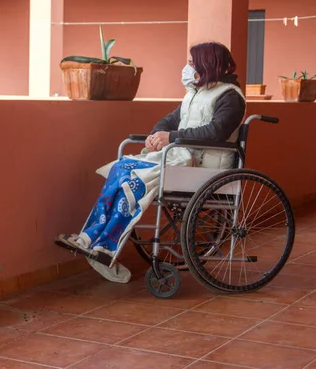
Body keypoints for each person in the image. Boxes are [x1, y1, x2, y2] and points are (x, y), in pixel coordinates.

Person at [56, 42, 246, 283]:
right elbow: (169, 120)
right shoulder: (195, 94)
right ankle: (89, 238)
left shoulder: (230, 97)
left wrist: (172, 137)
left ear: (207, 64)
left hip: (206, 167)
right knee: (122, 167)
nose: (187, 67)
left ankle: (106, 247)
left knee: (134, 180)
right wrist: (157, 136)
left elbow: (216, 132)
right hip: (183, 159)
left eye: (191, 62)